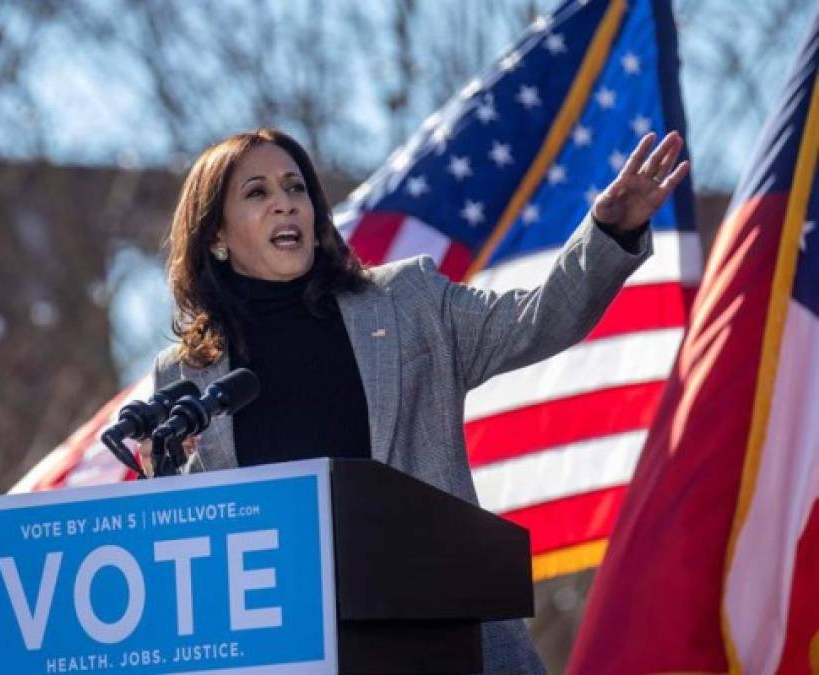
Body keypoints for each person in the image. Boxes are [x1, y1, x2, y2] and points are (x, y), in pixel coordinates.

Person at [146, 127, 689, 673]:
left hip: (442, 639)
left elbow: (537, 319)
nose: (285, 203)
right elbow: (190, 545)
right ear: (216, 232)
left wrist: (609, 234)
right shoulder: (185, 375)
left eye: (296, 188)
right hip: (290, 654)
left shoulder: (407, 303)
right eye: (257, 192)